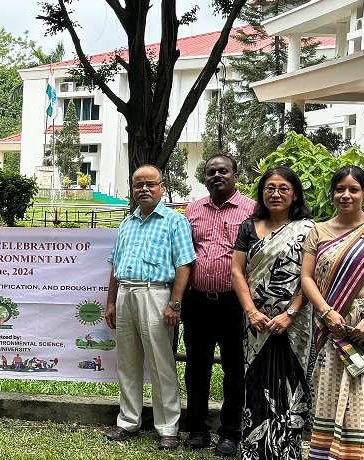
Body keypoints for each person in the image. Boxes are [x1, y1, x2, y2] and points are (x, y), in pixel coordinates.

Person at [301, 165, 364, 460]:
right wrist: (326, 312)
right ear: (332, 193)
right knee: (327, 392)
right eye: (340, 189)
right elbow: (306, 277)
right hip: (330, 325)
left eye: (353, 189)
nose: (346, 195)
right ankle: (327, 453)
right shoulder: (318, 231)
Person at [103, 165, 195, 450]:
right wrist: (110, 302)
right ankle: (128, 421)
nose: (143, 189)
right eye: (137, 185)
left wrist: (175, 303)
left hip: (156, 294)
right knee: (127, 363)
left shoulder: (174, 221)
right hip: (126, 292)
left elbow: (184, 264)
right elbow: (115, 265)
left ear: (162, 186)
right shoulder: (127, 222)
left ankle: (168, 427)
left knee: (160, 363)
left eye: (149, 184)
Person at [230, 167, 315, 459]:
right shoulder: (248, 226)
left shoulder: (308, 230)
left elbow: (311, 278)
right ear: (261, 192)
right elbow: (237, 272)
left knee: (291, 387)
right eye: (269, 188)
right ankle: (254, 451)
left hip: (295, 323)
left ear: (294, 194)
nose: (275, 193)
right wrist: (251, 311)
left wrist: (289, 314)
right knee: (255, 381)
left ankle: (287, 451)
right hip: (257, 323)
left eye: (283, 188)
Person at [183, 154, 256, 456]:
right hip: (197, 301)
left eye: (223, 171)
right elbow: (184, 253)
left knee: (234, 369)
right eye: (211, 172)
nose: (217, 176)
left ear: (235, 175)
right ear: (205, 177)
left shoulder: (252, 209)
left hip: (234, 303)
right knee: (196, 368)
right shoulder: (193, 209)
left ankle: (230, 432)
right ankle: (197, 428)